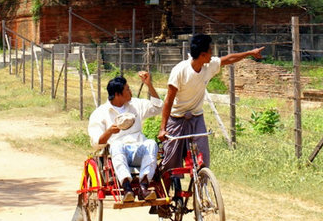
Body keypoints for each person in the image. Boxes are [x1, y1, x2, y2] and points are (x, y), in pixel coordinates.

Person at [159, 34, 264, 172]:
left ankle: (201, 183)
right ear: (202, 55)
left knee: (203, 156)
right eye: (210, 51)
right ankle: (173, 189)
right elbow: (168, 100)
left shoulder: (209, 65)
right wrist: (163, 128)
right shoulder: (180, 71)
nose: (212, 54)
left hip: (196, 117)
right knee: (171, 162)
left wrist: (250, 53)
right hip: (177, 118)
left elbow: (229, 58)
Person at [88, 71, 162, 202]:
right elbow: (96, 142)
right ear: (117, 94)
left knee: (151, 143)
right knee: (116, 144)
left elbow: (158, 107)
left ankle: (143, 186)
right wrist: (109, 132)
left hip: (139, 149)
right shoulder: (100, 113)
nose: (130, 91)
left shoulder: (135, 105)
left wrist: (149, 85)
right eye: (127, 89)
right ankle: (127, 187)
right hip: (120, 153)